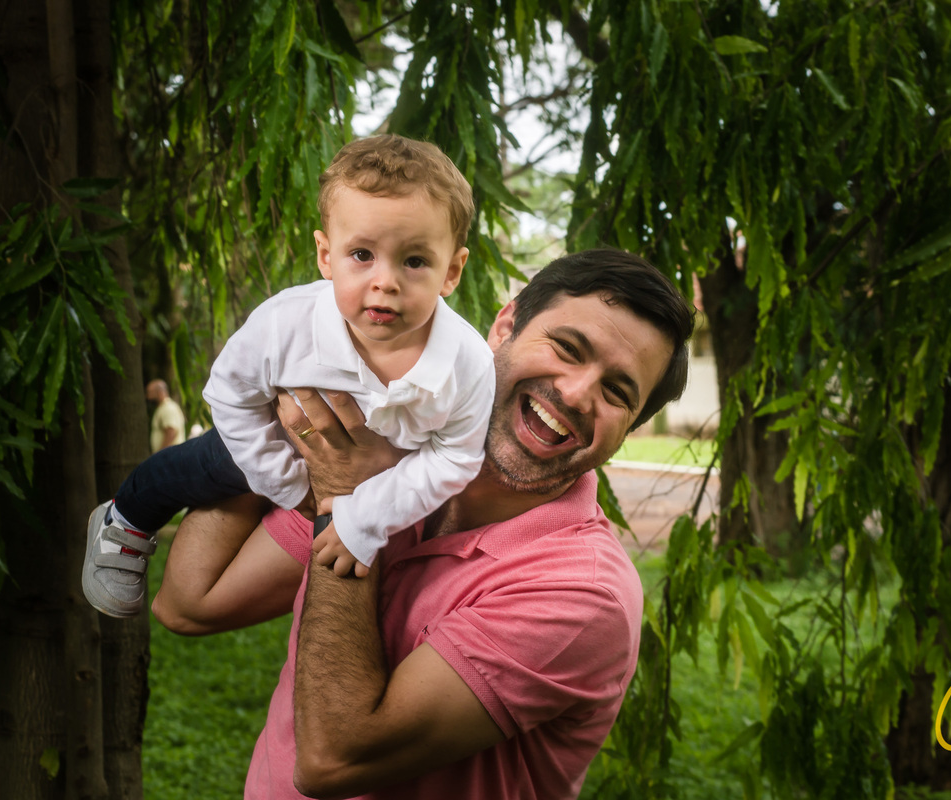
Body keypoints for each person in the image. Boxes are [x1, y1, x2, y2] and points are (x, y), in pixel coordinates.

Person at [151, 249, 696, 799]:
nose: (577, 393)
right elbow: (190, 602)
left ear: (630, 427)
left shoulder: (585, 594)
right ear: (505, 326)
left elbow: (332, 759)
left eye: (617, 392)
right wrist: (272, 408)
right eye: (567, 348)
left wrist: (350, 500)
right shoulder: (390, 453)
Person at [82, 135, 495, 619]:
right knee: (193, 468)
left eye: (415, 261)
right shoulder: (286, 323)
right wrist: (288, 483)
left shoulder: (467, 362)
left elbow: (456, 457)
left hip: (374, 489)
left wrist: (367, 517)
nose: (385, 281)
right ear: (326, 255)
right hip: (272, 440)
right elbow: (230, 394)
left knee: (333, 575)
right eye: (362, 254)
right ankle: (126, 517)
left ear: (452, 271)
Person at [146, 379, 187, 452]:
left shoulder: (168, 408)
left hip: (171, 456)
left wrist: (160, 454)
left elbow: (171, 432)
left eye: (150, 393)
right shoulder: (163, 407)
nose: (147, 396)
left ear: (159, 392)